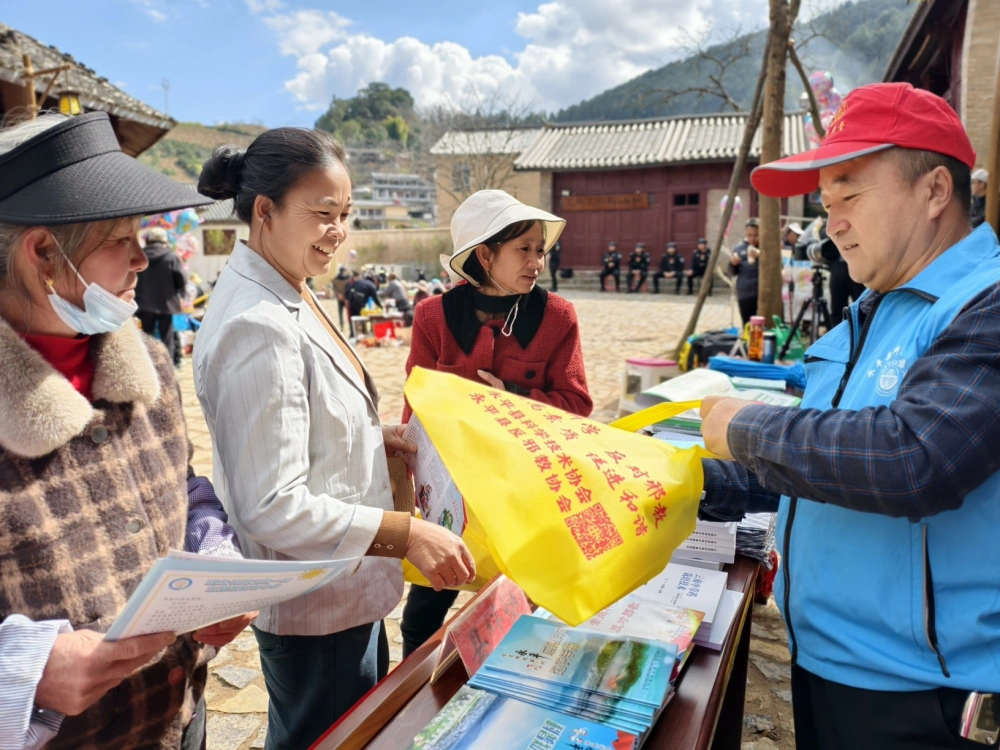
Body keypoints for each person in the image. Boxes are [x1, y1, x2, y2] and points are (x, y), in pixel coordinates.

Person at [699, 82, 1000, 749]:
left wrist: (744, 427)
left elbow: (912, 458)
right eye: (825, 203)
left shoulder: (984, 303)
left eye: (849, 196)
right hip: (829, 662)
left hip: (925, 697)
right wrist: (686, 476)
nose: (831, 224)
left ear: (935, 191)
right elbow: (822, 464)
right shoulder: (872, 310)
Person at [194, 127, 475, 750]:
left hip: (346, 585)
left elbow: (298, 420)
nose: (338, 231)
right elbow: (270, 503)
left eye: (345, 214)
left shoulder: (288, 286)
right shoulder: (257, 324)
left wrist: (373, 437)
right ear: (264, 211)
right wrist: (408, 534)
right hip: (314, 601)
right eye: (323, 213)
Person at [0, 112, 253, 749]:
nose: (143, 257)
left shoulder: (151, 365)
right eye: (121, 238)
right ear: (43, 254)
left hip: (178, 717)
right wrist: (21, 671)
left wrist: (215, 557)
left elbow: (182, 486)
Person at [401, 189, 593, 657]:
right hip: (452, 492)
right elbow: (416, 403)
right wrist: (408, 475)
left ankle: (510, 681)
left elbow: (576, 403)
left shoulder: (557, 317)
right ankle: (412, 688)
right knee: (423, 609)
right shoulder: (432, 316)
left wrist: (514, 399)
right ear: (485, 255)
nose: (536, 262)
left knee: (521, 607)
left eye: (540, 250)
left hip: (524, 492)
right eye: (523, 249)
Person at [135, 226, 186, 368]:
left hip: (143, 303)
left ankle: (149, 367)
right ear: (165, 241)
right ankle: (168, 367)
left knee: (147, 337)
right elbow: (181, 280)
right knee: (167, 338)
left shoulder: (140, 257)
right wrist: (181, 295)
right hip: (166, 303)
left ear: (149, 240)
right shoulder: (171, 257)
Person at [727, 217, 760, 325]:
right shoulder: (739, 248)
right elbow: (731, 273)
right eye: (749, 235)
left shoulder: (766, 248)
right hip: (744, 294)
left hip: (761, 294)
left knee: (760, 326)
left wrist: (760, 255)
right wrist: (732, 264)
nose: (752, 239)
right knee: (747, 325)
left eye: (756, 235)